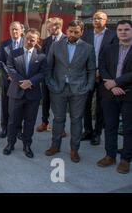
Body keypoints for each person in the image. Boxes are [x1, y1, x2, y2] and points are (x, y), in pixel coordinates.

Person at [45, 20, 96, 163]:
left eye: (76, 32)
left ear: (82, 32)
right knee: (58, 119)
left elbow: (91, 70)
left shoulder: (88, 48)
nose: (73, 34)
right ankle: (55, 145)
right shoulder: (56, 46)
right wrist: (50, 83)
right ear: (66, 31)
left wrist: (88, 87)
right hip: (58, 89)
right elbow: (48, 67)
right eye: (71, 31)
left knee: (76, 120)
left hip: (79, 90)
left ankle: (74, 149)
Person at [3, 29, 47, 158]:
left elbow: (44, 72)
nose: (29, 41)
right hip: (16, 92)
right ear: (24, 38)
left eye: (32, 39)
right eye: (27, 38)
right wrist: (22, 81)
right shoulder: (14, 53)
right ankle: (10, 143)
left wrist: (31, 82)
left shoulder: (41, 56)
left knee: (30, 122)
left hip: (32, 95)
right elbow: (10, 69)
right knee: (13, 121)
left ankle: (27, 145)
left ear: (37, 41)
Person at [97, 20, 132, 174]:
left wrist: (116, 83)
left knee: (129, 129)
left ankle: (125, 159)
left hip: (128, 94)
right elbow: (102, 66)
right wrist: (111, 85)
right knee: (110, 126)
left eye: (126, 29)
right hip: (109, 94)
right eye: (120, 30)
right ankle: (110, 155)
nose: (123, 32)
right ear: (116, 32)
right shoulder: (109, 48)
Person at [81, 11, 118, 146]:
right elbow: (82, 55)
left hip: (105, 76)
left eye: (100, 18)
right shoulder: (86, 35)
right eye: (95, 18)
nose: (97, 20)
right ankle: (88, 130)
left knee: (100, 107)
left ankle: (97, 133)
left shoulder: (113, 36)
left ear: (106, 20)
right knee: (86, 104)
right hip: (87, 74)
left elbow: (113, 58)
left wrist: (100, 72)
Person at [36, 17, 67, 138]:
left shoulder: (66, 40)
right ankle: (45, 122)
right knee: (46, 101)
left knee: (59, 103)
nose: (48, 29)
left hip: (60, 78)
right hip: (46, 76)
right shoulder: (47, 40)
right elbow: (42, 57)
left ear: (58, 27)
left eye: (50, 27)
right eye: (47, 27)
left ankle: (60, 127)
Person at [0, 21, 24, 138]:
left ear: (21, 30)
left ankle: (18, 129)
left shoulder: (26, 43)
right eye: (12, 29)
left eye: (16, 29)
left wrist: (19, 77)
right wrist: (10, 74)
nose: (14, 31)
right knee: (5, 104)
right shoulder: (4, 44)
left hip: (21, 80)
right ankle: (5, 127)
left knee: (19, 106)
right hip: (7, 80)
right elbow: (1, 62)